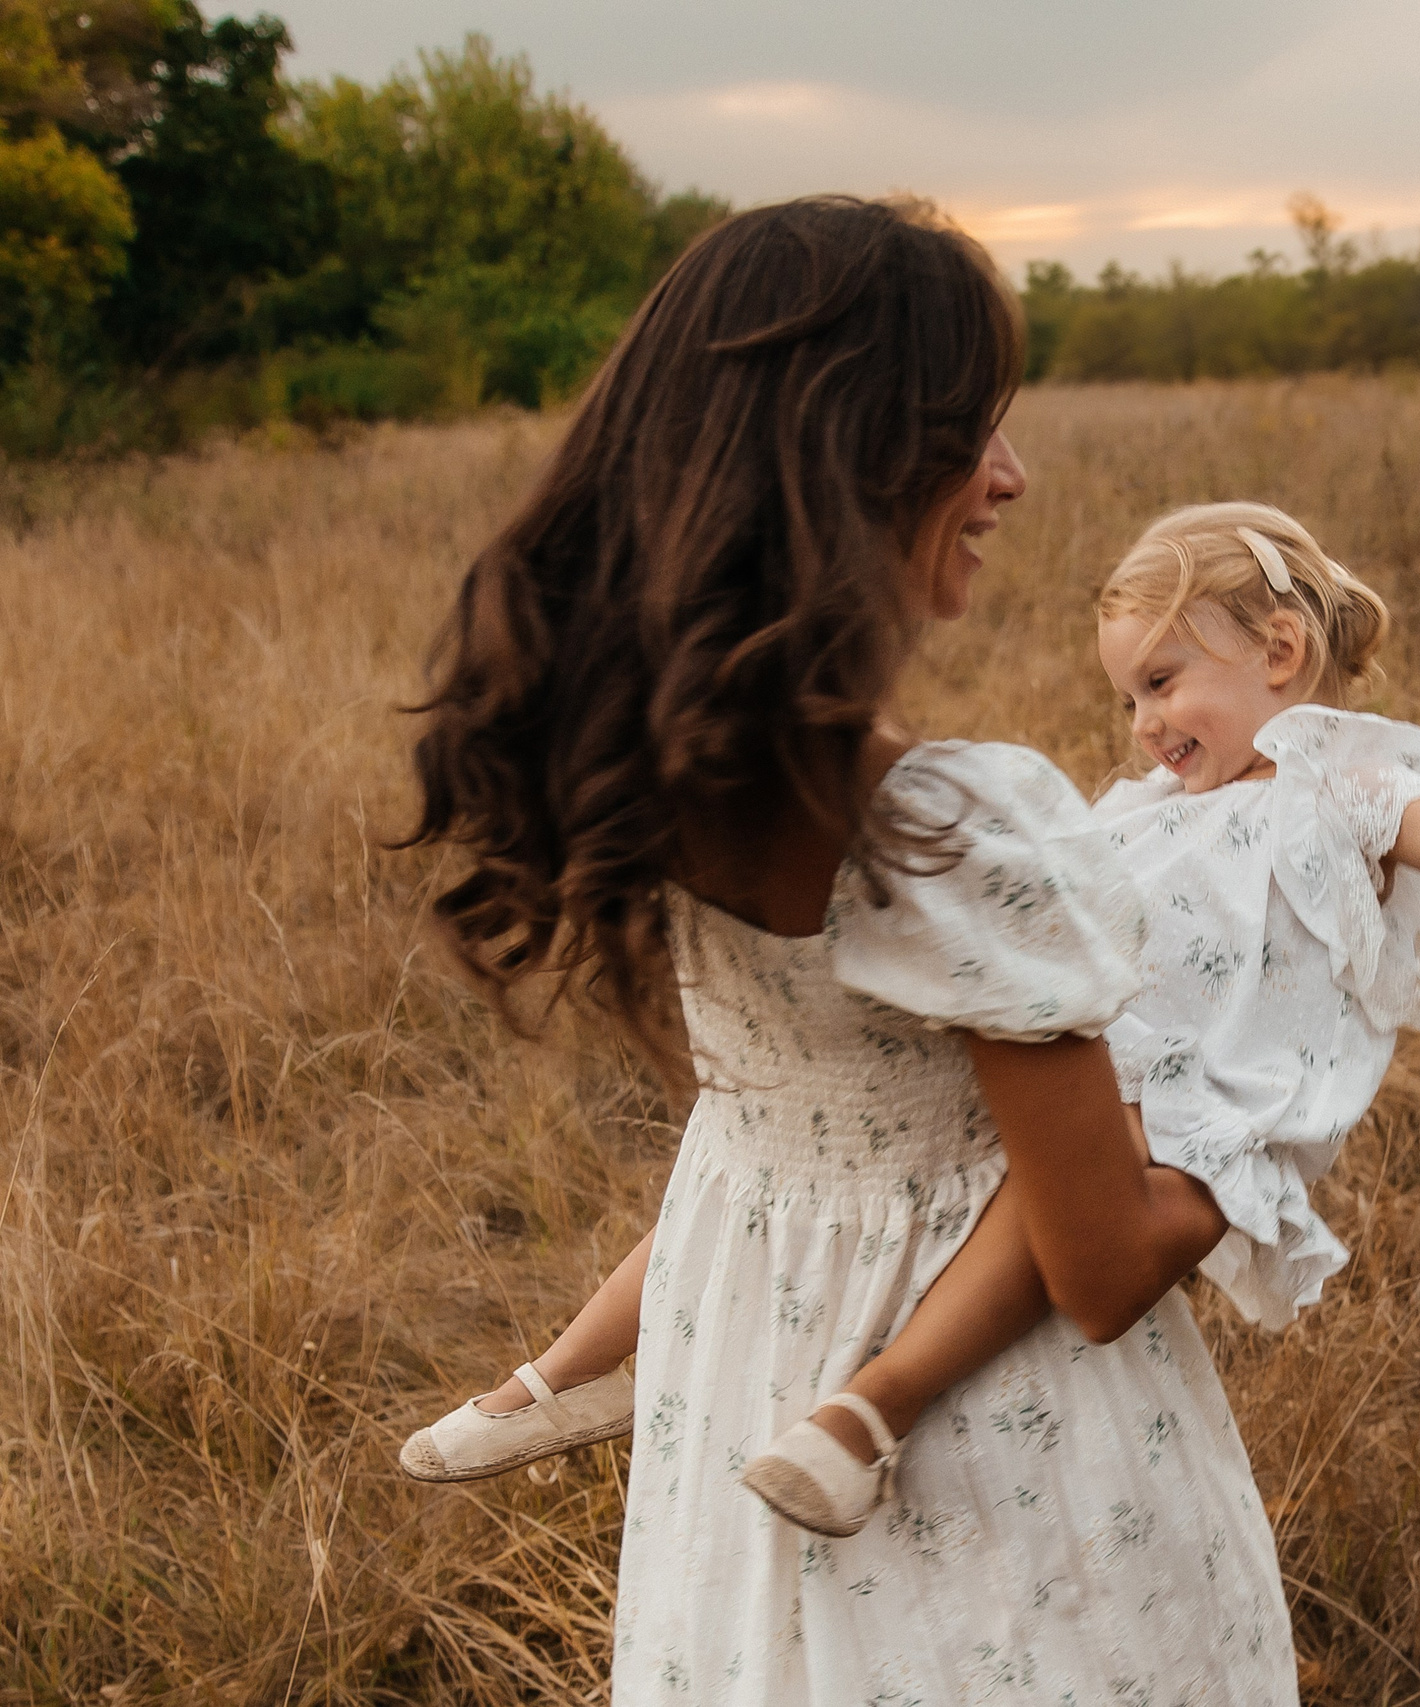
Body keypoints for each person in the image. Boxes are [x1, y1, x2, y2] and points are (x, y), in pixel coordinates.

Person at [406, 486, 1420, 1543]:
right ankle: (557, 1376)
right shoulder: (1143, 804)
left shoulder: (1344, 782)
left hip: (1221, 1094)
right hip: (1107, 1045)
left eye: (1162, 684)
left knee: (1050, 1210)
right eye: (1125, 695)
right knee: (776, 1137)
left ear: (1279, 650)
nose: (1142, 723)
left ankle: (868, 1411)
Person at [397, 195, 1294, 1702]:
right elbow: (1098, 1265)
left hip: (745, 1367)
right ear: (850, 453)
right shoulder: (941, 826)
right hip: (999, 1471)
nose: (1012, 477)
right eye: (974, 430)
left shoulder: (648, 761)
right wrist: (1254, 1128)